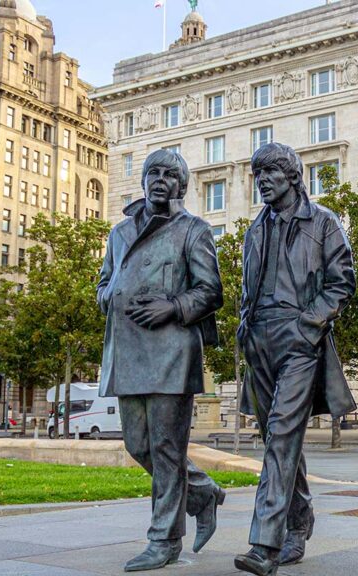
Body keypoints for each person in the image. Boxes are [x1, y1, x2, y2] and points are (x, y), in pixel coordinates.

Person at [97, 148, 226, 572]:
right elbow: (104, 282)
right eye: (153, 172)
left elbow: (210, 291)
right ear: (143, 180)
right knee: (138, 444)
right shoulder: (118, 233)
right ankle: (203, 491)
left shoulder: (194, 230)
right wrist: (110, 298)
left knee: (167, 448)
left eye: (170, 175)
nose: (160, 179)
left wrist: (172, 306)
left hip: (172, 350)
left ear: (182, 187)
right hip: (128, 349)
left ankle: (164, 539)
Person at [234, 142, 356, 576]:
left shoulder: (323, 223)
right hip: (259, 341)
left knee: (284, 434)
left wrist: (311, 324)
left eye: (269, 171)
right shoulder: (254, 230)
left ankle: (265, 543)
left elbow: (343, 281)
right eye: (257, 173)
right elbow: (247, 289)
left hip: (300, 338)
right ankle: (300, 521)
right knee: (276, 439)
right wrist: (244, 328)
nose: (262, 179)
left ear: (292, 176)